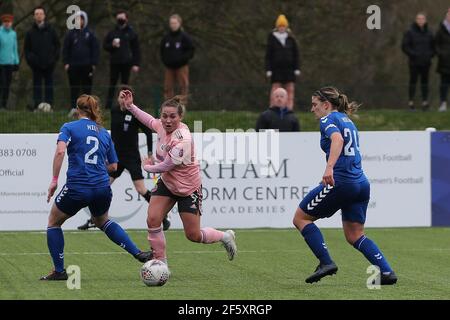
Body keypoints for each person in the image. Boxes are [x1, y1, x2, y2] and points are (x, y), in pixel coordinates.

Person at [292, 86, 397, 285]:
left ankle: (326, 262)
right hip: (361, 184)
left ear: (326, 105)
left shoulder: (328, 119)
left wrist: (329, 167)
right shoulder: (348, 120)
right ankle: (386, 272)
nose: (312, 109)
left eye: (315, 105)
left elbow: (337, 139)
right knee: (355, 234)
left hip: (341, 182)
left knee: (300, 218)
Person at [119, 89, 237, 265]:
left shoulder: (183, 139)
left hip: (188, 189)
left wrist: (148, 166)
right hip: (167, 183)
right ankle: (160, 263)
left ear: (180, 117)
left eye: (172, 116)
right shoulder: (160, 124)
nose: (167, 120)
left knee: (193, 235)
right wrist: (131, 107)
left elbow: (167, 165)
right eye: (164, 116)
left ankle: (225, 236)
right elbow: (148, 120)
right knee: (152, 218)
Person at [41, 94, 152, 281]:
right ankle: (137, 252)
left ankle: (59, 271)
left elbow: (61, 151)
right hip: (102, 187)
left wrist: (54, 180)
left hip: (78, 186)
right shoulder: (103, 132)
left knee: (53, 222)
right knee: (102, 221)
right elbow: (114, 167)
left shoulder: (69, 127)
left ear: (77, 109)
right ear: (94, 110)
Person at [77, 86, 171, 231]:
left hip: (132, 156)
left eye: (125, 97)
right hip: (116, 156)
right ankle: (93, 220)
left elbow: (148, 132)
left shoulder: (134, 113)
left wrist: (151, 152)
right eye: (121, 96)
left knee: (141, 189)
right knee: (102, 186)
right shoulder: (114, 110)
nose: (123, 100)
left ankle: (162, 216)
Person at [63, 11, 99, 117]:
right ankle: (74, 108)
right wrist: (66, 63)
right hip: (73, 66)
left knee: (87, 88)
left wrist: (94, 63)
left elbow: (95, 50)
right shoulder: (70, 34)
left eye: (81, 19)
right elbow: (65, 49)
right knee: (74, 88)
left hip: (87, 66)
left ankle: (88, 109)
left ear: (84, 20)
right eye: (77, 19)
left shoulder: (90, 34)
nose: (79, 21)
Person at [24, 6, 60, 111]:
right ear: (34, 16)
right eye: (36, 14)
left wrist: (53, 60)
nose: (39, 15)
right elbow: (27, 49)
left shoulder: (51, 30)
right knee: (37, 86)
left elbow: (57, 46)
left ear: (44, 16)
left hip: (49, 64)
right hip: (36, 65)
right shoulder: (30, 32)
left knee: (49, 85)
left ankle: (49, 106)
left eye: (41, 13)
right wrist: (32, 60)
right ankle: (37, 106)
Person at [103, 10, 140, 110]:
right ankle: (108, 106)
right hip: (114, 62)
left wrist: (136, 63)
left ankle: (125, 105)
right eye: (118, 18)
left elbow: (136, 49)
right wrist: (112, 45)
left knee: (125, 85)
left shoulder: (132, 33)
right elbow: (105, 46)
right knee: (112, 84)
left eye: (122, 18)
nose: (120, 20)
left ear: (126, 19)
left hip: (127, 63)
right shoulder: (112, 32)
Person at [265, 14, 300, 110]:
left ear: (286, 27)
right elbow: (268, 55)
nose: (281, 28)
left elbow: (296, 54)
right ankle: (273, 108)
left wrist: (297, 68)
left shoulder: (291, 39)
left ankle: (289, 109)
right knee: (275, 90)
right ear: (277, 27)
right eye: (280, 26)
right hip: (276, 70)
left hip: (289, 70)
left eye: (283, 26)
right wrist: (268, 69)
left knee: (290, 91)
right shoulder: (272, 38)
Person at [401, 12, 435, 111]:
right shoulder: (410, 32)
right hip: (414, 63)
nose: (420, 21)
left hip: (426, 62)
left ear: (425, 20)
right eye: (419, 19)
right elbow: (405, 46)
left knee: (425, 82)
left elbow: (434, 47)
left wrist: (429, 55)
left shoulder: (429, 33)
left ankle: (425, 102)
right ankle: (411, 102)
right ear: (416, 20)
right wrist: (413, 54)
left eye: (422, 19)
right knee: (413, 82)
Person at [160, 14, 194, 105]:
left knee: (183, 86)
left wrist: (183, 60)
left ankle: (182, 106)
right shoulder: (166, 37)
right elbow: (162, 51)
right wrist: (165, 61)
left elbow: (191, 50)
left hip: (181, 66)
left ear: (179, 24)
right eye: (171, 23)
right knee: (168, 87)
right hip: (169, 67)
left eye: (175, 23)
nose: (173, 25)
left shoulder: (185, 37)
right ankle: (168, 106)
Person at [0, 14, 19, 110]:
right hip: (1, 63)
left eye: (9, 22)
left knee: (7, 84)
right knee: (2, 83)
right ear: (3, 22)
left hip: (10, 63)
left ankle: (4, 105)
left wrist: (16, 61)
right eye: (5, 22)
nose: (7, 23)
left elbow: (15, 48)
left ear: (11, 23)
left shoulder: (13, 34)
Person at [435, 8, 450, 112]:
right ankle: (443, 103)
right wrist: (442, 54)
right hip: (444, 62)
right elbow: (436, 44)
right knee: (444, 84)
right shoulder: (441, 29)